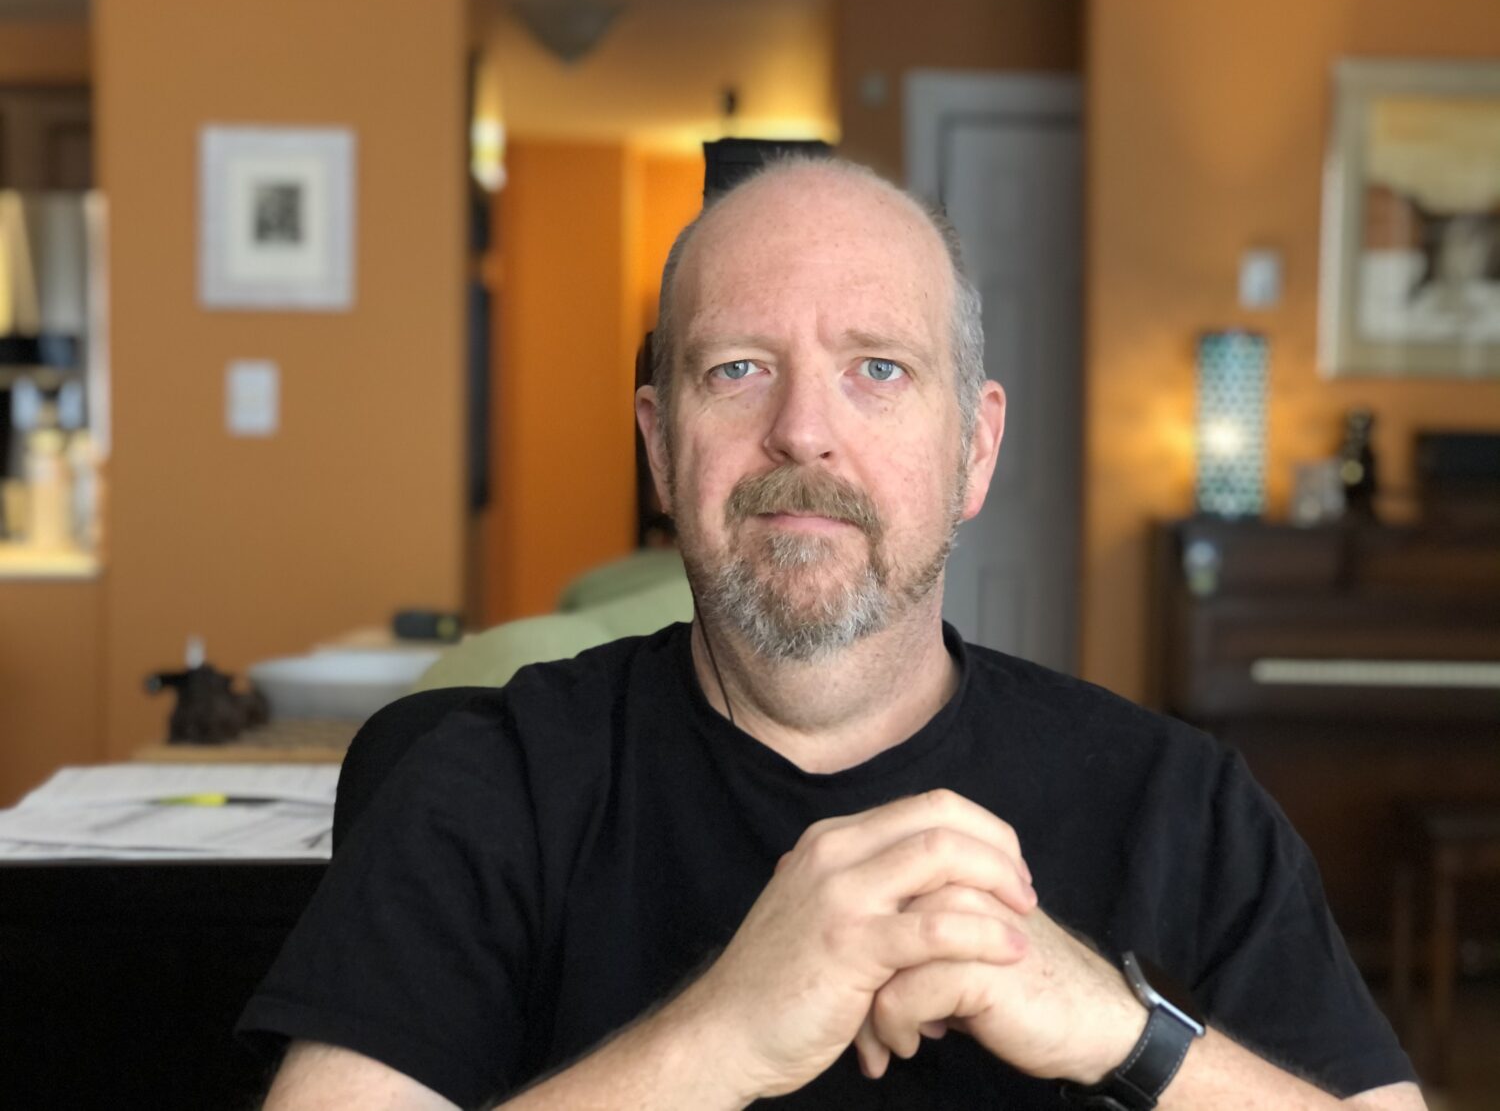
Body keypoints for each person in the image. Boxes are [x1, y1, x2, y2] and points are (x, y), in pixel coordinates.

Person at [243, 157, 1425, 1110]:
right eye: (740, 369)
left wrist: (1122, 1033)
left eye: (877, 369)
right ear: (661, 448)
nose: (803, 431)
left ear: (974, 448)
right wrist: (720, 1037)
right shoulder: (493, 782)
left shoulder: (1180, 804)